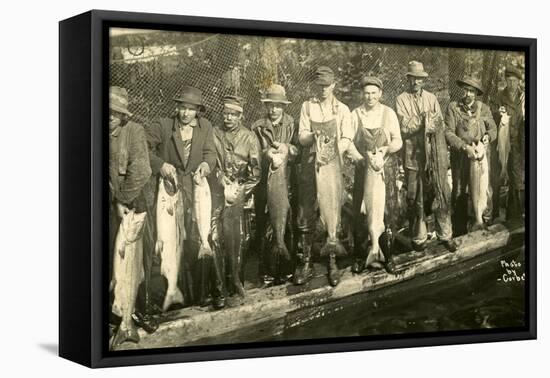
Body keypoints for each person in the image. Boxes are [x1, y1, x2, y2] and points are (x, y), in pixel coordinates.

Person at [146, 86, 218, 307]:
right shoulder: (163, 126)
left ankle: (199, 293)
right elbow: (144, 148)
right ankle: (175, 292)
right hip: (170, 191)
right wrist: (160, 165)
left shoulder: (205, 127)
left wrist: (206, 166)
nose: (186, 113)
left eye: (191, 109)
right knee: (171, 240)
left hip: (195, 191)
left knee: (196, 239)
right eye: (182, 108)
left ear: (198, 110)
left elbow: (210, 153)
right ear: (177, 108)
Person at [295, 66, 354, 287]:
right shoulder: (307, 106)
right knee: (306, 214)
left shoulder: (343, 110)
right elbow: (301, 137)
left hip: (333, 164)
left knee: (333, 208)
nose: (323, 90)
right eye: (319, 85)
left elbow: (347, 137)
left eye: (327, 85)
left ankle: (332, 260)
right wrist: (313, 136)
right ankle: (306, 262)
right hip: (310, 165)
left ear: (334, 85)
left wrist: (332, 148)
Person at [395, 61, 457, 252]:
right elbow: (404, 127)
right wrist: (423, 121)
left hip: (434, 155)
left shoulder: (431, 98)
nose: (416, 82)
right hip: (413, 157)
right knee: (415, 197)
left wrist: (427, 123)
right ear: (408, 79)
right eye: (413, 78)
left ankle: (445, 234)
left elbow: (438, 123)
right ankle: (419, 237)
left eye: (419, 79)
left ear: (423, 80)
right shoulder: (401, 99)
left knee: (441, 191)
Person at [108, 86, 156, 335]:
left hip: (134, 205)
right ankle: (114, 315)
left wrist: (121, 200)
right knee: (113, 261)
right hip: (110, 206)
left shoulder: (134, 131)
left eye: (113, 115)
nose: (108, 119)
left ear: (123, 116)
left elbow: (142, 170)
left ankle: (141, 311)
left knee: (139, 262)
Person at [346, 76, 403, 274]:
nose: (370, 97)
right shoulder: (355, 114)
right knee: (361, 215)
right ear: (362, 94)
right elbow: (348, 142)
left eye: (373, 93)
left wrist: (385, 150)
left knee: (389, 214)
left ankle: (387, 255)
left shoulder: (389, 114)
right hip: (364, 170)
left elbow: (398, 141)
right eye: (366, 93)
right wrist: (360, 158)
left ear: (380, 93)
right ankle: (362, 256)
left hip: (385, 170)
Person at [211, 95, 262, 298]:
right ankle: (218, 287)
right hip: (219, 189)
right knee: (217, 237)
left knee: (242, 238)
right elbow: (212, 161)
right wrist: (221, 180)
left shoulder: (249, 137)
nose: (228, 118)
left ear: (240, 116)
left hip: (241, 191)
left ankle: (237, 281)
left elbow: (256, 173)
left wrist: (241, 189)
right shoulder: (214, 133)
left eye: (233, 114)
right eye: (226, 113)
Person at [251, 84, 298, 286]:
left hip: (287, 183)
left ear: (283, 107)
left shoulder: (291, 124)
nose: (274, 110)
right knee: (264, 226)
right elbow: (252, 154)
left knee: (286, 225)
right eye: (270, 105)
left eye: (278, 106)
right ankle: (267, 272)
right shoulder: (257, 127)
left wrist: (288, 149)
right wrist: (265, 155)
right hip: (265, 184)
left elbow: (299, 151)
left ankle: (287, 270)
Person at [445, 76, 497, 235]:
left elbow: (493, 129)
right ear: (462, 91)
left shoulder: (484, 108)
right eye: (466, 90)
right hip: (461, 157)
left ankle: (484, 223)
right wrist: (464, 147)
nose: (468, 94)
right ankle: (460, 230)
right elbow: (448, 132)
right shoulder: (453, 108)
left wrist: (487, 137)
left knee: (485, 190)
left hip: (480, 157)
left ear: (476, 93)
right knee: (460, 191)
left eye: (472, 91)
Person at [491, 65, 525, 221]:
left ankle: (514, 216)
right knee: (497, 178)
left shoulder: (524, 97)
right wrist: (498, 114)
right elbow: (490, 117)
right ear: (505, 80)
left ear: (519, 81)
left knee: (516, 179)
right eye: (509, 80)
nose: (511, 84)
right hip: (502, 144)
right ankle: (494, 214)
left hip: (517, 145)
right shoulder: (498, 96)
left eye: (514, 81)